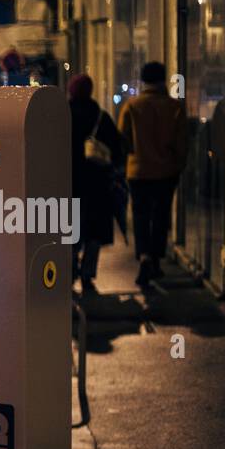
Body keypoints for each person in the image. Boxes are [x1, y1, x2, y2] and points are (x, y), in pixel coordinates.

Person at [118, 61, 188, 287]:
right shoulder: (175, 107)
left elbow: (123, 140)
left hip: (138, 171)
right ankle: (155, 258)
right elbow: (182, 144)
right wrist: (178, 166)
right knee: (160, 216)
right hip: (166, 172)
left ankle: (144, 256)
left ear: (143, 80)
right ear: (162, 80)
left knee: (140, 215)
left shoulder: (132, 106)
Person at [67, 74, 126, 294]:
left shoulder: (61, 115)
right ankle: (87, 275)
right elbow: (117, 150)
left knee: (69, 232)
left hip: (68, 184)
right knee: (94, 234)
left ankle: (69, 271)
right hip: (97, 184)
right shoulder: (101, 116)